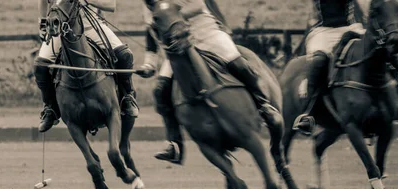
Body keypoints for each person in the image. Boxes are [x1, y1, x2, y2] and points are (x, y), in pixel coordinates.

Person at [138, 0, 281, 164]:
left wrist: (169, 15)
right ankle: (174, 143)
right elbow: (151, 31)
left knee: (239, 65)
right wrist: (149, 63)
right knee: (160, 90)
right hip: (179, 49)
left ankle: (264, 107)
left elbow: (198, 5)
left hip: (206, 35)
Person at [35, 0, 139, 133]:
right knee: (40, 66)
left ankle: (127, 97)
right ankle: (50, 108)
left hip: (91, 27)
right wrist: (43, 22)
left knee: (124, 55)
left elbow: (111, 5)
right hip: (62, 29)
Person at [292, 0, 367, 136]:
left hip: (350, 28)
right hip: (324, 32)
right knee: (319, 61)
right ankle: (307, 114)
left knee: (376, 46)